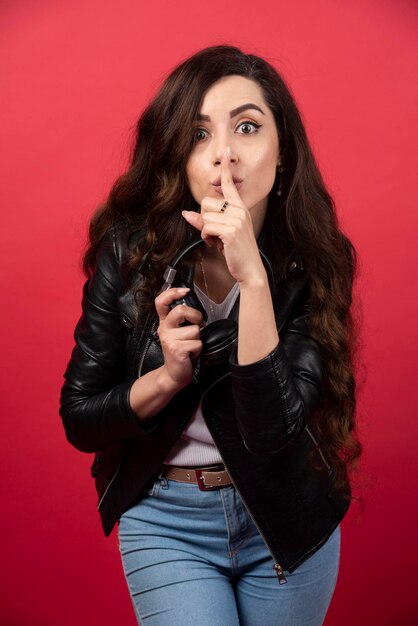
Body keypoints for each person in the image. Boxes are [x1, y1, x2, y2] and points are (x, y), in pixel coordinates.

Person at [60, 45, 361, 626]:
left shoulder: (312, 262)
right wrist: (168, 378)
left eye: (247, 127)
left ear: (283, 156)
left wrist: (252, 279)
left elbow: (273, 434)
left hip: (285, 515)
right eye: (199, 135)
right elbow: (80, 417)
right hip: (166, 518)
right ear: (178, 159)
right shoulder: (128, 253)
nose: (224, 153)